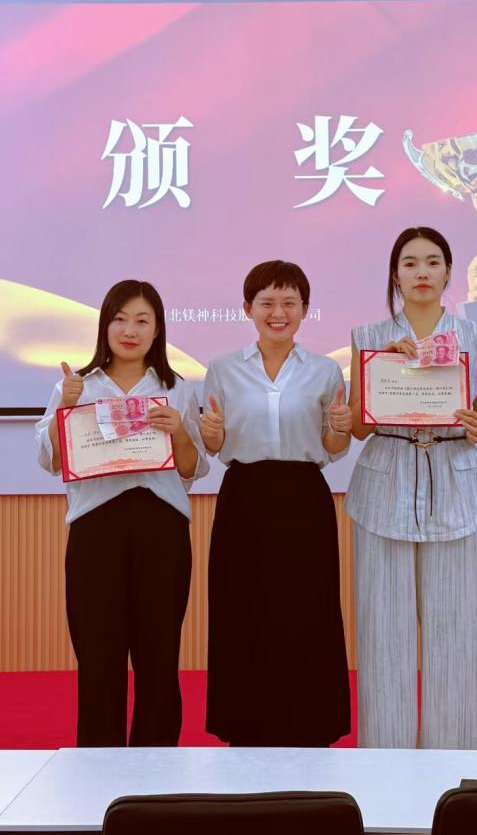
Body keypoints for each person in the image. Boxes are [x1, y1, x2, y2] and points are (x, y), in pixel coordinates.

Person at [34, 279, 209, 747]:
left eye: (142, 321)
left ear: (158, 330)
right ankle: (98, 766)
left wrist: (180, 432)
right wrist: (65, 409)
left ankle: (156, 766)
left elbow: (192, 469)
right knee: (98, 657)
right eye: (120, 319)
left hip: (162, 528)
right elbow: (51, 461)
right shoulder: (77, 386)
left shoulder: (176, 389)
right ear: (104, 326)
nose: (130, 330)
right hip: (96, 528)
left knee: (159, 656)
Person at [346, 227, 477, 750]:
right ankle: (384, 758)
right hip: (384, 485)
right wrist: (383, 371)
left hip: (455, 482)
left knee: (456, 628)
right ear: (395, 275)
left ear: (449, 273)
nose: (421, 273)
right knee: (382, 629)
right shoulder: (369, 337)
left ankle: (458, 759)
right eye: (409, 264)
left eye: (432, 262)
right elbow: (358, 427)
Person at [201, 260, 352, 747]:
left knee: (307, 612)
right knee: (243, 610)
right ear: (248, 308)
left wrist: (340, 428)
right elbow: (214, 446)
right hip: (244, 498)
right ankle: (245, 727)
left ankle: (311, 726)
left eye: (289, 302)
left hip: (303, 498)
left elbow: (333, 447)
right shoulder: (223, 369)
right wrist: (211, 432)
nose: (278, 312)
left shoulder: (325, 371)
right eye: (267, 302)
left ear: (305, 309)